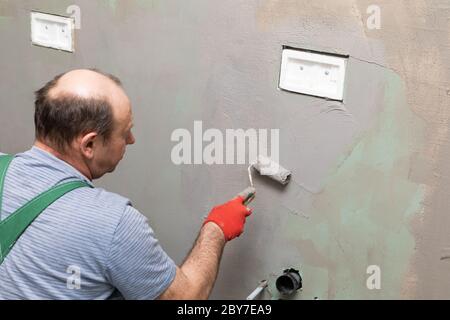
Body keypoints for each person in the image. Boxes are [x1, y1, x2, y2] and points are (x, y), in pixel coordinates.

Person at [0, 69, 252, 300]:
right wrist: (215, 230)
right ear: (89, 145)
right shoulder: (113, 223)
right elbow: (185, 298)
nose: (131, 140)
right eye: (124, 132)